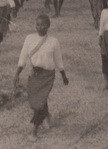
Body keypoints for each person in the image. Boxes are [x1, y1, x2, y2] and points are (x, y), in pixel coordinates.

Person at [13, 14, 68, 142]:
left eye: (43, 25)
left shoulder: (53, 41)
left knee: (38, 104)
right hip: (35, 75)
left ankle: (34, 131)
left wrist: (63, 74)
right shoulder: (29, 38)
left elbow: (58, 59)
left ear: (48, 26)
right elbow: (23, 56)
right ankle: (47, 115)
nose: (39, 27)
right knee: (36, 101)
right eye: (37, 24)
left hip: (47, 76)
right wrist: (17, 73)